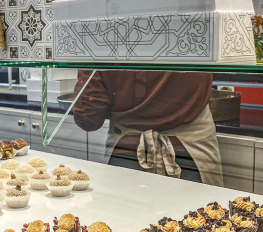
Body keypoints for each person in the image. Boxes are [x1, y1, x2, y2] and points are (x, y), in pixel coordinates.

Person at [73, 70, 224, 186]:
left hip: (127, 157)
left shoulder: (99, 32)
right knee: (201, 224)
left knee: (125, 225)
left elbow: (88, 117)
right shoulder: (202, 29)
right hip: (190, 157)